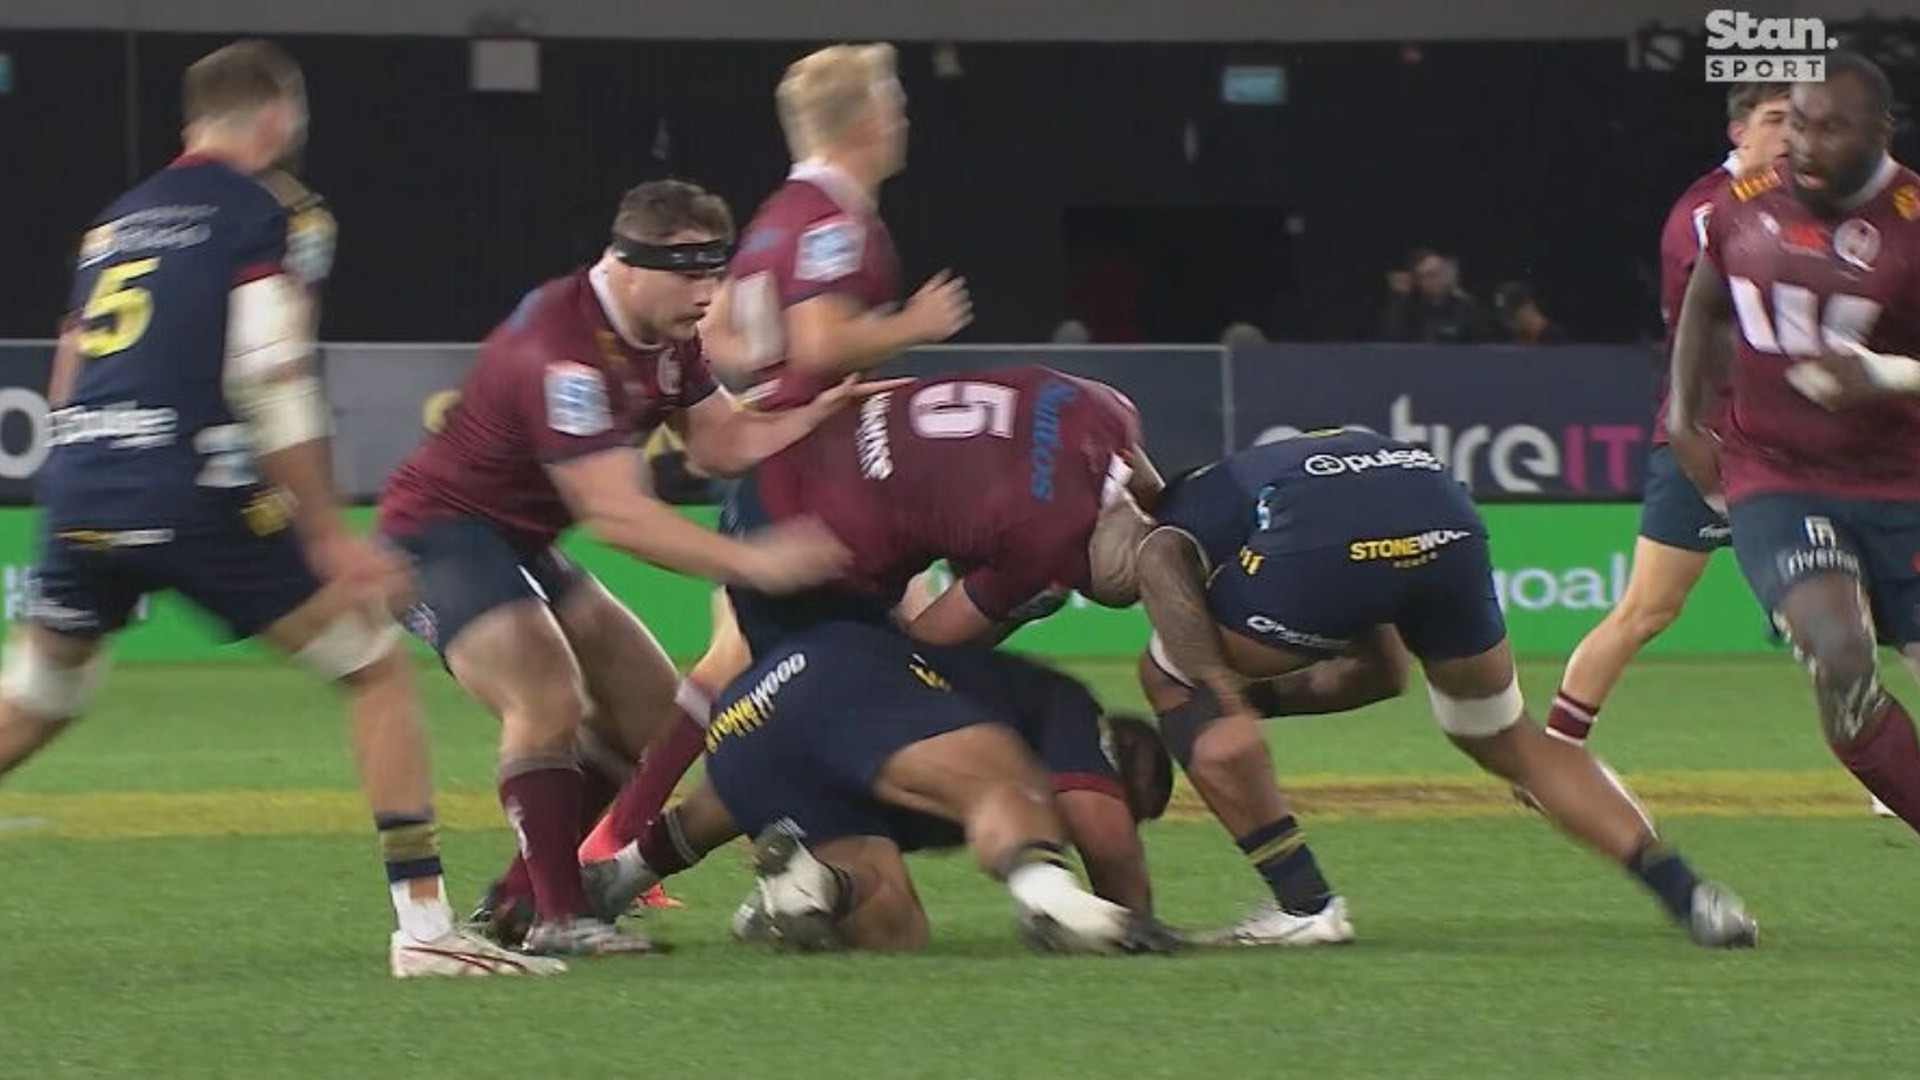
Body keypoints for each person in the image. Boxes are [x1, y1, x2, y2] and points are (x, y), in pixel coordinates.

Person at [0, 41, 554, 978]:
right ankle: (424, 930)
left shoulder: (117, 220)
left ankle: (429, 928)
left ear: (191, 125)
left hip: (80, 480)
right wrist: (327, 531)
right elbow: (272, 374)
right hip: (191, 483)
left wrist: (101, 463)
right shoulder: (269, 212)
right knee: (373, 666)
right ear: (277, 120)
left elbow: (69, 368)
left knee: (42, 696)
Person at [377, 179, 862, 957]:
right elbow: (616, 514)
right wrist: (754, 563)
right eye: (687, 275)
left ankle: (519, 899)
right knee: (545, 695)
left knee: (650, 710)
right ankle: (561, 918)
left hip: (520, 541)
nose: (706, 295)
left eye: (714, 274)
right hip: (434, 536)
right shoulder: (561, 349)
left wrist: (811, 417)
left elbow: (716, 444)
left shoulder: (667, 333)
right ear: (624, 262)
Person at [1128, 428, 1758, 948]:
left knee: (1168, 671)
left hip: (1320, 541)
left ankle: (1305, 906)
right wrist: (1257, 703)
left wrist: (1223, 699)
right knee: (1504, 734)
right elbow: (1382, 674)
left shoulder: (1183, 512)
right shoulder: (1269, 473)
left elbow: (1160, 560)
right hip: (1444, 517)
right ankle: (1689, 893)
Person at [588, 42, 975, 856]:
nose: (903, 117)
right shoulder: (835, 221)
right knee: (906, 652)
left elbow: (724, 332)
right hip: (825, 483)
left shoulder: (778, 217)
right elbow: (821, 340)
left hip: (783, 466)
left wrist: (767, 390)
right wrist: (916, 327)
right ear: (868, 121)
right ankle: (789, 839)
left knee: (743, 663)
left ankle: (633, 839)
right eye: (894, 102)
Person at [1668, 54, 1920, 841]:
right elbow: (1706, 307)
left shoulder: (1913, 223)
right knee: (1840, 656)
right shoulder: (1743, 205)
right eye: (1798, 123)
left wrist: (1882, 373)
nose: (1805, 145)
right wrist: (1685, 417)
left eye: (1831, 128)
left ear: (1882, 132)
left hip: (1904, 483)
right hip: (1776, 473)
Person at [613, 621, 1177, 953]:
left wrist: (637, 866)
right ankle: (1049, 900)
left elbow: (724, 803)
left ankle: (812, 886)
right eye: (1130, 809)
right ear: (1112, 763)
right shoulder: (1069, 709)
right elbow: (1105, 834)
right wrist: (1133, 922)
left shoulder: (931, 769)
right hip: (842, 672)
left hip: (747, 721)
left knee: (897, 935)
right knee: (1007, 784)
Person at [1549, 82, 1790, 748]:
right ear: (1738, 132)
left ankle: (1883, 772)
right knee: (1648, 609)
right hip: (1706, 436)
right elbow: (1720, 319)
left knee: (1850, 609)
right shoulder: (1712, 211)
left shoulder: (1793, 207)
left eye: (1800, 122)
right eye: (1775, 121)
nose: (1790, 135)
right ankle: (1556, 750)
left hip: (1786, 439)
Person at [1376, 248, 1490, 344]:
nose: (1437, 278)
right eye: (1429, 275)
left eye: (1440, 271)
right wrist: (1398, 299)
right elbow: (1389, 344)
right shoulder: (1408, 308)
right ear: (1417, 281)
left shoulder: (1466, 307)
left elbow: (1484, 347)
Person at [1491, 281, 1568, 344]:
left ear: (1529, 306)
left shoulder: (1558, 341)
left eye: (1511, 316)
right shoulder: (1511, 342)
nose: (1507, 323)